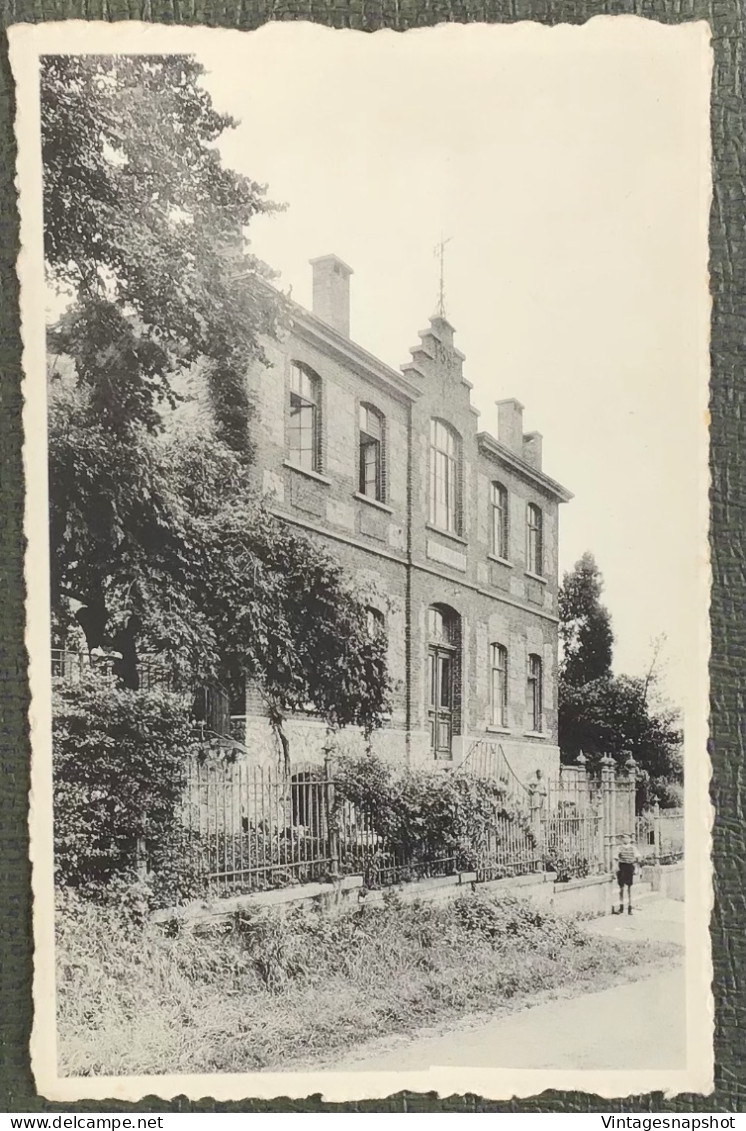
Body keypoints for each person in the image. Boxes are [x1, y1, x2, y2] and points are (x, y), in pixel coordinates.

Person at [613, 834, 641, 915]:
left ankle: (630, 907)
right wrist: (616, 867)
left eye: (627, 838)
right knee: (621, 888)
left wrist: (636, 868)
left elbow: (638, 858)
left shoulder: (633, 848)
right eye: (624, 838)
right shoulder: (619, 848)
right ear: (622, 840)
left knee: (629, 888)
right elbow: (616, 859)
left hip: (629, 867)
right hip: (622, 867)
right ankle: (621, 906)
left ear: (630, 839)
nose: (625, 840)